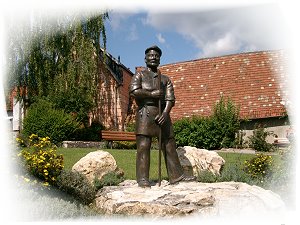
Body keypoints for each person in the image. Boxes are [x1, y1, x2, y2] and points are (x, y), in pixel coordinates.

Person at [129, 45, 196, 187]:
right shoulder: (139, 75)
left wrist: (165, 113)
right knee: (143, 146)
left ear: (160, 60)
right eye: (150, 55)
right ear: (145, 58)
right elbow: (134, 91)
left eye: (156, 56)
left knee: (169, 145)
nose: (153, 58)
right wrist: (150, 94)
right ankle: (142, 179)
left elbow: (170, 99)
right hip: (145, 115)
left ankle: (176, 176)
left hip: (162, 115)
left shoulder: (165, 79)